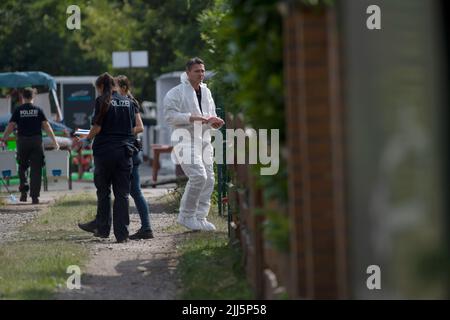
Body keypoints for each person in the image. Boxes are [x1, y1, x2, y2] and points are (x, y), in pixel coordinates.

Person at [164, 57, 224, 231]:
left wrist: (214, 121)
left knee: (210, 179)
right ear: (188, 72)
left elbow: (210, 114)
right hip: (184, 139)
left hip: (204, 139)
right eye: (197, 71)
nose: (201, 74)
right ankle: (186, 215)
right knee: (198, 176)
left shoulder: (207, 92)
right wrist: (192, 117)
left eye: (203, 71)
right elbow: (169, 116)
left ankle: (200, 217)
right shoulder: (176, 92)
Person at [77, 73, 139, 243]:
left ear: (101, 87)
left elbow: (97, 127)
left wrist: (86, 139)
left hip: (104, 153)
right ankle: (122, 234)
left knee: (104, 192)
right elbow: (134, 127)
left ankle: (103, 229)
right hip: (125, 152)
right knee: (122, 194)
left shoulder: (102, 101)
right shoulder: (129, 101)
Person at [1, 87, 60, 204]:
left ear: (23, 97)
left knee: (22, 167)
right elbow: (47, 126)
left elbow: (11, 126)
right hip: (36, 141)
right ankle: (34, 197)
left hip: (22, 141)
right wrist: (55, 142)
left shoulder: (18, 110)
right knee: (36, 169)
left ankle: (23, 192)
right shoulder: (38, 110)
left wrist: (3, 139)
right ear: (34, 97)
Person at [116, 75, 154, 240]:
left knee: (135, 191)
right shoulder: (121, 103)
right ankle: (145, 227)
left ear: (123, 88)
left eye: (115, 88)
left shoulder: (131, 103)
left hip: (130, 152)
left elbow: (140, 128)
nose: (112, 92)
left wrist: (122, 131)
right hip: (126, 151)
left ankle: (146, 227)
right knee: (132, 191)